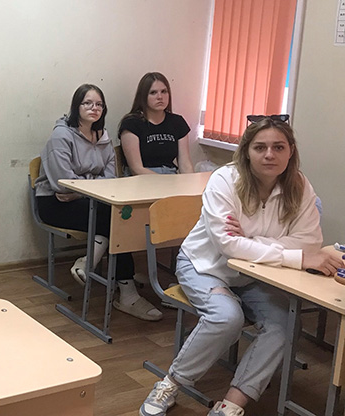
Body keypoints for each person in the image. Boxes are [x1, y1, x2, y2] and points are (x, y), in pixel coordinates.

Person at [139, 117, 341, 416]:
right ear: (246, 151)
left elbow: (309, 242)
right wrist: (290, 252)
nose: (269, 155)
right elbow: (228, 246)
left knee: (284, 324)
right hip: (205, 266)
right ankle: (171, 383)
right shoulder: (224, 180)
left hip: (256, 275)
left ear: (291, 151)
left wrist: (252, 240)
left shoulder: (299, 185)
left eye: (278, 147)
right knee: (227, 317)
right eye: (260, 147)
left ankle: (232, 403)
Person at [35, 84, 162, 321]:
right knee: (112, 217)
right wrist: (89, 185)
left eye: (99, 104)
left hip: (86, 200)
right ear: (77, 106)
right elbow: (62, 185)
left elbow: (111, 180)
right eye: (88, 103)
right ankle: (127, 292)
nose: (94, 108)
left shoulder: (103, 137)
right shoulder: (61, 137)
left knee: (116, 215)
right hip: (54, 204)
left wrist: (80, 190)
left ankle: (88, 262)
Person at [119, 72, 192, 175]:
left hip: (170, 175)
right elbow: (136, 169)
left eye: (164, 91)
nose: (160, 97)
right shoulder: (131, 123)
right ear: (143, 96)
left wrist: (190, 183)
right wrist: (162, 182)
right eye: (153, 93)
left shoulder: (177, 122)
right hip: (141, 179)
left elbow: (185, 164)